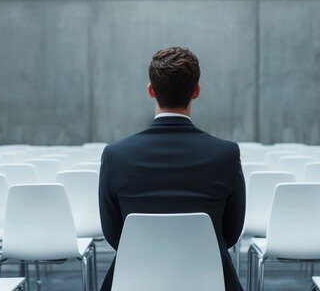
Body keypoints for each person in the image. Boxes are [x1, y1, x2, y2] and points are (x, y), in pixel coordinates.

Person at [99, 47, 246, 291]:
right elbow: (230, 233)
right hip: (209, 278)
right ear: (196, 91)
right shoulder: (226, 154)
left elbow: (114, 235)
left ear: (151, 91)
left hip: (135, 277)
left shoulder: (115, 155)